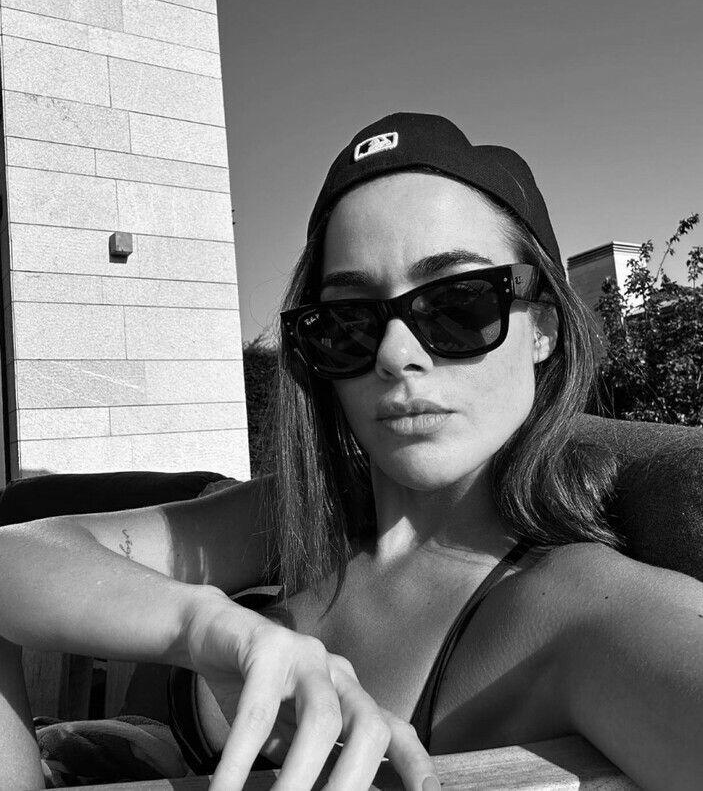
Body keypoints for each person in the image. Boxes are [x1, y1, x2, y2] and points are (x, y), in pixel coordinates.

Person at [1, 112, 702, 791]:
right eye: (348, 321)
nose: (396, 354)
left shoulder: (582, 610)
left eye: (458, 303)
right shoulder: (299, 516)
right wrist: (203, 623)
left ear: (542, 327)